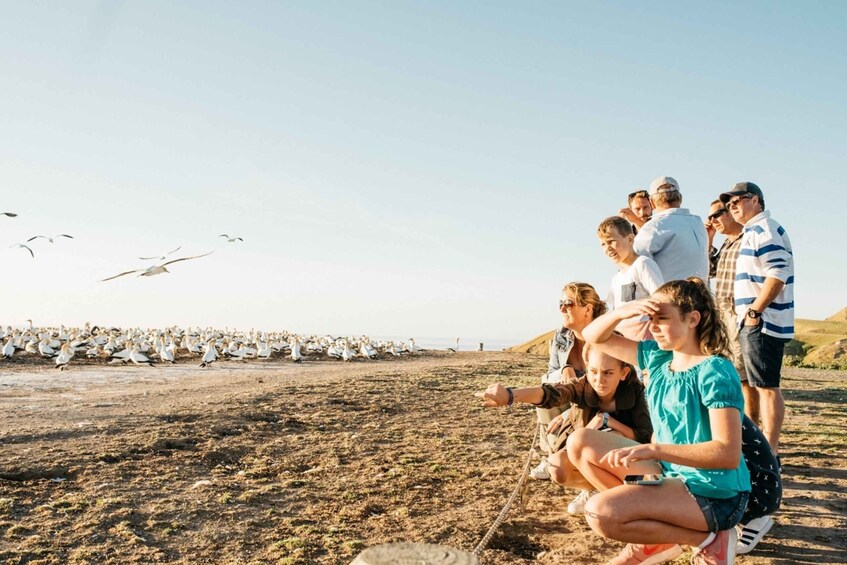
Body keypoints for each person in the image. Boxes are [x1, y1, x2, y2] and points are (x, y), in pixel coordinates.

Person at [576, 278, 750, 565]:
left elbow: (727, 454)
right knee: (581, 441)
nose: (652, 326)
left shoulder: (715, 371)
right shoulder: (656, 358)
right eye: (650, 318)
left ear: (692, 319)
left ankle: (707, 539)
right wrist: (622, 312)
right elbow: (593, 336)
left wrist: (653, 450)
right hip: (673, 475)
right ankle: (661, 534)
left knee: (600, 512)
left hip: (715, 493)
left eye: (662, 319)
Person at [478, 343, 652, 514]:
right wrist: (510, 395)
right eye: (593, 371)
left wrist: (607, 421)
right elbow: (552, 393)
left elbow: (644, 436)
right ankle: (592, 489)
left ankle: (626, 501)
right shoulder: (583, 386)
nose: (599, 380)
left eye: (608, 373)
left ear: (623, 373)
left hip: (627, 458)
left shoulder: (636, 392)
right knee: (556, 467)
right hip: (583, 451)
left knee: (611, 435)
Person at [720, 182, 793, 457]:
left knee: (767, 387)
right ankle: (761, 448)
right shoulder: (753, 232)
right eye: (729, 204)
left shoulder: (765, 229)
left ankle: (771, 452)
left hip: (763, 321)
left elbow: (778, 272)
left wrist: (754, 311)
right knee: (754, 384)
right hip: (754, 321)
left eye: (738, 200)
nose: (733, 206)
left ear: (756, 201)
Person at [528, 283, 605, 515]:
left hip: (600, 400)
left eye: (568, 303)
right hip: (573, 393)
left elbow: (608, 386)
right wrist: (565, 369)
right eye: (560, 303)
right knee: (548, 384)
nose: (562, 309)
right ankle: (553, 454)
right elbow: (551, 370)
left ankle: (590, 485)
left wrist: (570, 410)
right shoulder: (561, 336)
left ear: (588, 309)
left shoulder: (605, 336)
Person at [705, 199, 758, 422]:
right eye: (710, 217)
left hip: (738, 310)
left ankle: (752, 424)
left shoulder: (747, 239)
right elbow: (710, 270)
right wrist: (708, 239)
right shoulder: (727, 243)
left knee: (743, 373)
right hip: (722, 311)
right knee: (728, 368)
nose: (713, 220)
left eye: (718, 214)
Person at [597, 216, 664, 340]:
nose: (607, 248)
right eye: (603, 244)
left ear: (630, 239)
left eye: (611, 241)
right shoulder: (616, 278)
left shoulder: (643, 264)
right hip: (624, 335)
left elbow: (661, 299)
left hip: (645, 335)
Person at [633, 176, 709, 282]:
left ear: (651, 202)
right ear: (680, 198)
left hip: (669, 296)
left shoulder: (654, 226)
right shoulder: (698, 223)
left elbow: (634, 262)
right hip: (701, 296)